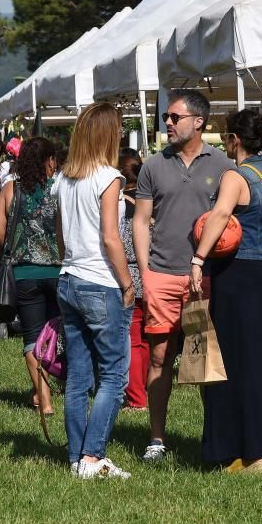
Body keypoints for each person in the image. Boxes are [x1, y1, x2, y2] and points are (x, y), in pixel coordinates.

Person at [190, 110, 262, 473]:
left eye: (225, 138)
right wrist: (258, 235)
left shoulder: (235, 176)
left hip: (235, 275)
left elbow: (221, 215)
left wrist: (199, 257)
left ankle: (245, 452)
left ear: (235, 141)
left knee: (234, 361)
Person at [133, 89, 235, 462]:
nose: (169, 124)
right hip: (161, 274)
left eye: (175, 118)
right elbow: (141, 221)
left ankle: (214, 438)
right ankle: (156, 439)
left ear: (199, 122)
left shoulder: (223, 166)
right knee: (160, 357)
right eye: (166, 119)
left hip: (206, 278)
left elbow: (233, 220)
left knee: (207, 360)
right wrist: (145, 271)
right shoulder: (153, 165)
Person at [54, 102, 134, 479]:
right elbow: (111, 237)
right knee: (115, 376)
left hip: (69, 277)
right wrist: (128, 282)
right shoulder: (109, 177)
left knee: (78, 376)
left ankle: (76, 456)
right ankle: (92, 457)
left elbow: (60, 234)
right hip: (100, 280)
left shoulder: (64, 179)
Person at [0, 137, 61, 415]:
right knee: (58, 331)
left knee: (32, 336)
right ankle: (56, 383)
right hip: (59, 269)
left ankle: (43, 398)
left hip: (23, 274)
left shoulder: (10, 189)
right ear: (50, 160)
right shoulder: (60, 188)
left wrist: (12, 250)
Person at [119, 150, 149, 410]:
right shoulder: (152, 202)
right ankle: (148, 389)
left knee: (133, 341)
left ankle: (137, 397)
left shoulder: (120, 205)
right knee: (149, 338)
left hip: (129, 276)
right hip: (154, 273)